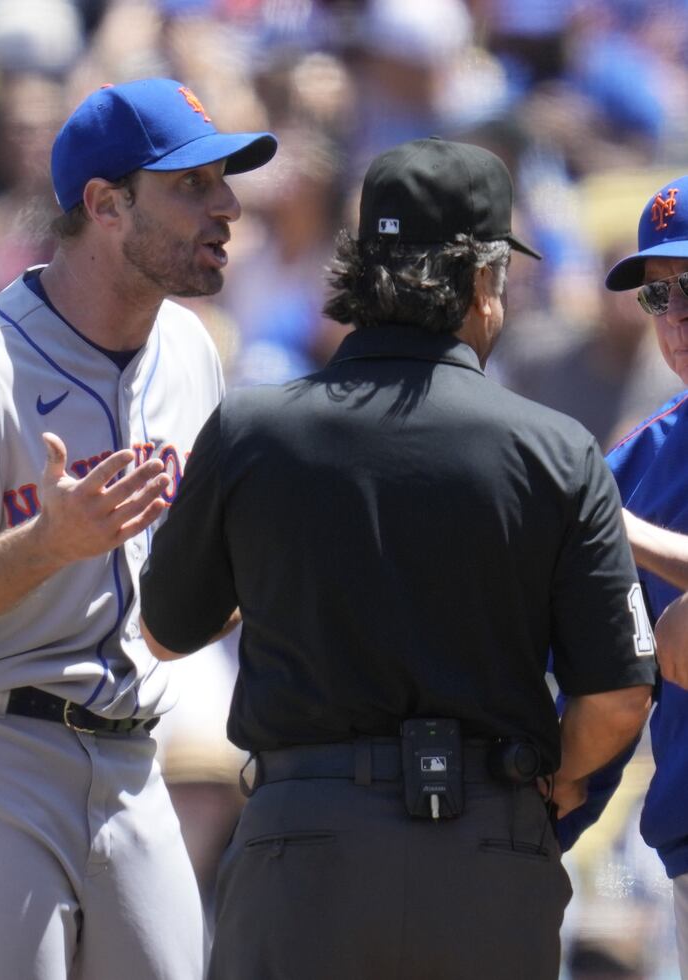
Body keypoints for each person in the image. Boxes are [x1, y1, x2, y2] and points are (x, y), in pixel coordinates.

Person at [139, 137, 656, 980]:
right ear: (483, 281)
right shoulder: (558, 450)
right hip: (488, 842)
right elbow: (618, 698)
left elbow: (165, 630)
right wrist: (553, 787)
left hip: (303, 847)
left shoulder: (251, 429)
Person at [0, 77, 276, 980]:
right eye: (192, 185)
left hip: (130, 749)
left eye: (224, 182)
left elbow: (184, 604)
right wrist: (47, 543)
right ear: (106, 205)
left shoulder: (190, 354)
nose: (229, 207)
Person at [568, 173, 688, 978]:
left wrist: (627, 531)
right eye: (658, 297)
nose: (675, 318)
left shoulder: (614, 495)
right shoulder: (637, 462)